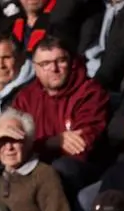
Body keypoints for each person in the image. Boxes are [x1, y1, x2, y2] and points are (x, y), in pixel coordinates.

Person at [11, 37, 110, 192]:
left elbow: (82, 145)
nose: (54, 68)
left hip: (80, 171)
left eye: (61, 61)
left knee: (62, 168)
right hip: (34, 166)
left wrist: (35, 146)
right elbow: (14, 142)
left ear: (71, 62)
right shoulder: (25, 97)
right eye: (45, 64)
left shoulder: (90, 92)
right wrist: (51, 142)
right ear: (35, 68)